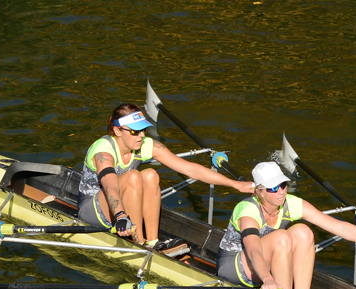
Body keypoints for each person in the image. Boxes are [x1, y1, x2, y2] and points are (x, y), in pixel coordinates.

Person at [217, 161, 356, 289]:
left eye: (283, 185)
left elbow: (340, 228)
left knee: (303, 232)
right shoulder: (247, 210)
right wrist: (267, 278)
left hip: (266, 264)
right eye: (274, 188)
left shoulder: (291, 203)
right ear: (259, 192)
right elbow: (253, 250)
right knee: (282, 238)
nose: (281, 192)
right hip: (235, 267)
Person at [78, 103, 253, 246]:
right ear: (117, 131)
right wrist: (121, 216)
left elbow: (191, 169)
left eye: (143, 130)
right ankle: (137, 242)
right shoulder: (103, 151)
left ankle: (152, 242)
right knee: (133, 176)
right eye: (134, 131)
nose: (141, 135)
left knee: (150, 175)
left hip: (120, 204)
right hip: (93, 209)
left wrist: (235, 184)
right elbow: (110, 186)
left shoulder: (145, 144)